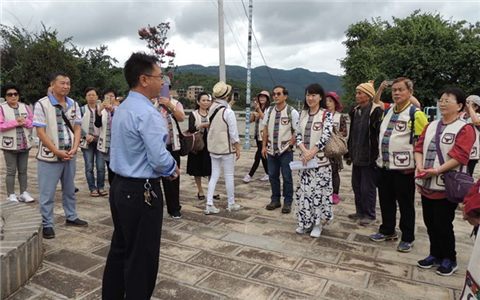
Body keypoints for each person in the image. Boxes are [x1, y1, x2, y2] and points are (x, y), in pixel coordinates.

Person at [102, 52, 179, 300]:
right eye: (159, 77)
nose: (162, 82)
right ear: (144, 80)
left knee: (120, 249)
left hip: (119, 186)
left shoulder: (123, 108)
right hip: (141, 191)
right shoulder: (148, 114)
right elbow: (158, 158)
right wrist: (172, 168)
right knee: (141, 257)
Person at [414, 87, 474, 276]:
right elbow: (419, 147)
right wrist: (419, 166)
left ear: (460, 106)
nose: (442, 103)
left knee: (443, 223)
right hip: (427, 183)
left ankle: (450, 258)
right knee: (430, 222)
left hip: (445, 185)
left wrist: (436, 170)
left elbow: (461, 156)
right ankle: (435, 254)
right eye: (441, 99)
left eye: (448, 100)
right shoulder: (431, 125)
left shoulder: (465, 128)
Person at [369, 78, 428, 252]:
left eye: (401, 90)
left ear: (410, 92)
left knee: (405, 204)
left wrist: (420, 166)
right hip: (384, 166)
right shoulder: (387, 111)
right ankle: (388, 230)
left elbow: (422, 142)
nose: (396, 93)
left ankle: (408, 236)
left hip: (404, 169)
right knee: (386, 201)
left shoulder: (415, 114)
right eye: (394, 90)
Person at [33, 72, 88, 239]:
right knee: (47, 192)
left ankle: (71, 216)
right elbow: (41, 132)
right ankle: (47, 223)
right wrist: (57, 151)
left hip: (70, 154)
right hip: (50, 156)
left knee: (69, 189)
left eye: (68, 83)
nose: (66, 86)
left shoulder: (74, 104)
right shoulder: (42, 105)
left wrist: (75, 147)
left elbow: (77, 128)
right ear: (52, 84)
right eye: (62, 83)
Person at [294, 84, 333, 238]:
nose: (310, 98)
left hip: (320, 163)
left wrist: (312, 153)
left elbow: (325, 137)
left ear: (320, 97)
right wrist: (305, 151)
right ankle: (305, 222)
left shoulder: (326, 114)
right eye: (308, 95)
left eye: (314, 95)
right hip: (305, 161)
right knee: (304, 192)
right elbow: (297, 134)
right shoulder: (302, 114)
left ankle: (317, 224)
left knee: (318, 193)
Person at [345, 80, 383, 225]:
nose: (357, 95)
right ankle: (360, 210)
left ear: (368, 96)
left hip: (369, 156)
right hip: (357, 154)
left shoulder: (375, 111)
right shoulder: (356, 111)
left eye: (359, 93)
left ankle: (370, 214)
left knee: (368, 187)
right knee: (356, 185)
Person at [204, 81, 241, 214]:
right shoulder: (228, 112)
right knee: (229, 175)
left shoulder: (212, 108)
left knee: (214, 175)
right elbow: (233, 132)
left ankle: (209, 204)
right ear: (226, 96)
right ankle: (231, 203)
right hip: (226, 148)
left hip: (213, 147)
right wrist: (237, 146)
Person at [262, 86, 299, 213]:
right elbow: (265, 129)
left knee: (287, 177)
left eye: (278, 94)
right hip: (272, 149)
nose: (276, 96)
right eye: (274, 94)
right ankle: (275, 199)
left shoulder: (291, 111)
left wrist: (290, 145)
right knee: (273, 175)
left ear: (285, 96)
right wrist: (263, 146)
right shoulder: (269, 110)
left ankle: (288, 202)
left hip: (285, 151)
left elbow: (296, 130)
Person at [153, 84, 185, 219]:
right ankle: (155, 207)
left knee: (172, 177)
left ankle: (174, 208)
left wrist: (170, 106)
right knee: (154, 178)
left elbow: (181, 118)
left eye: (165, 89)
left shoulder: (176, 103)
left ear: (170, 91)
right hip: (156, 146)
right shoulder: (152, 104)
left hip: (173, 146)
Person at [0, 83, 35, 202]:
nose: (13, 96)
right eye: (10, 94)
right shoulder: (2, 108)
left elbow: (32, 122)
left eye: (15, 94)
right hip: (9, 144)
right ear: (5, 96)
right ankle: (11, 194)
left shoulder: (25, 107)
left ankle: (24, 192)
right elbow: (1, 126)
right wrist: (15, 122)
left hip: (24, 143)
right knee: (11, 171)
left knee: (23, 170)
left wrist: (24, 123)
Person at [79, 87, 106, 197]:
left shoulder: (103, 110)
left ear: (97, 97)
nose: (91, 97)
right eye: (89, 95)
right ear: (86, 97)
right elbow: (76, 125)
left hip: (100, 141)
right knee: (89, 166)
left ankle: (101, 187)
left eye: (93, 95)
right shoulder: (82, 110)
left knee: (101, 166)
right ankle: (92, 188)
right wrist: (85, 135)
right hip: (88, 142)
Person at [186, 92, 212, 199]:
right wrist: (201, 125)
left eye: (208, 100)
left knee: (211, 168)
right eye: (203, 100)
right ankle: (200, 190)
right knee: (197, 168)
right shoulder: (193, 114)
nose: (206, 103)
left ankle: (212, 190)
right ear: (198, 102)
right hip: (197, 144)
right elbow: (190, 129)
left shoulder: (212, 113)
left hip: (210, 143)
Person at [325, 91, 347, 204]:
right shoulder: (321, 115)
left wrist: (334, 134)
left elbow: (345, 132)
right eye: (326, 101)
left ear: (335, 103)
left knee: (334, 172)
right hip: (322, 148)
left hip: (335, 148)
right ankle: (325, 192)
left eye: (330, 101)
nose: (328, 103)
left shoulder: (339, 117)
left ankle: (335, 194)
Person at [243, 91, 270, 183]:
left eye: (264, 97)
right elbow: (250, 121)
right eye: (260, 97)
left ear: (267, 99)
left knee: (257, 156)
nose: (262, 99)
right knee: (263, 156)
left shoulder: (268, 109)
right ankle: (268, 173)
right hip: (257, 135)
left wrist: (258, 110)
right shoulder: (257, 109)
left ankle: (249, 175)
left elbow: (266, 120)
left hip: (264, 136)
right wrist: (254, 114)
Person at [95, 88, 117, 186]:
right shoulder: (101, 111)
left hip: (117, 145)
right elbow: (97, 124)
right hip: (106, 145)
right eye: (107, 96)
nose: (109, 98)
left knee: (118, 169)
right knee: (110, 169)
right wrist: (99, 110)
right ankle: (113, 189)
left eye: (111, 96)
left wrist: (112, 110)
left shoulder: (119, 110)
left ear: (115, 98)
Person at [462, 95, 480, 176]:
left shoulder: (478, 117)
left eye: (469, 103)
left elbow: (476, 122)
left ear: (476, 107)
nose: (466, 106)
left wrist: (471, 109)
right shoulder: (462, 116)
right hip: (461, 149)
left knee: (468, 174)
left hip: (472, 151)